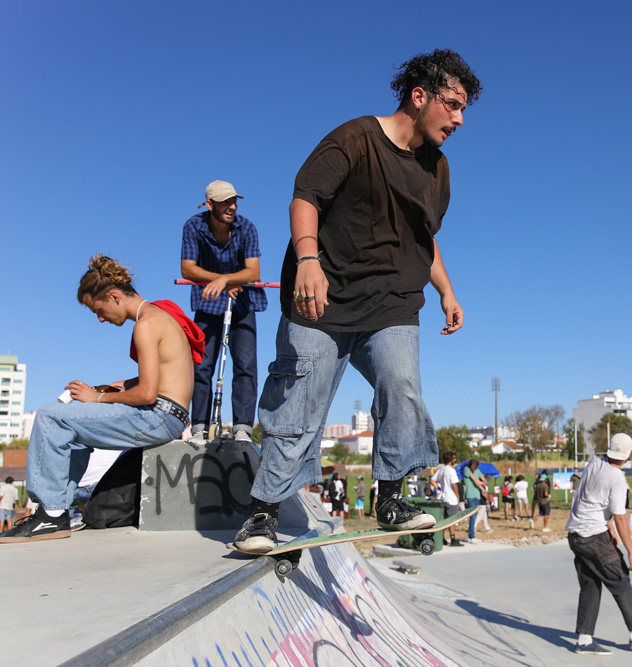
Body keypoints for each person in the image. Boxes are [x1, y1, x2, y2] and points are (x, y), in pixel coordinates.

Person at [233, 50, 482, 554]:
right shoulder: (355, 138)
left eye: (463, 110)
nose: (458, 119)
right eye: (452, 105)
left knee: (403, 388)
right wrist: (308, 259)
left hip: (392, 304)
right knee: (299, 404)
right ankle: (263, 513)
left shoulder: (439, 169)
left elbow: (424, 236)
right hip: (321, 302)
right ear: (420, 97)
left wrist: (446, 290)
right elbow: (305, 197)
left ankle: (390, 496)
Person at [0, 255, 202, 543]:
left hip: (159, 416)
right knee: (76, 432)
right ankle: (63, 510)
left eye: (99, 309)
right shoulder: (162, 316)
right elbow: (163, 378)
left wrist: (97, 397)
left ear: (114, 296)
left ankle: (50, 515)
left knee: (50, 417)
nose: (100, 318)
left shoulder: (145, 324)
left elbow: (147, 393)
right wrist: (119, 387)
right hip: (173, 413)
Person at [181, 180, 266, 444]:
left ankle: (242, 427)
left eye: (234, 201)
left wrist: (225, 281)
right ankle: (199, 427)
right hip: (208, 303)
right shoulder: (193, 226)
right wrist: (221, 280)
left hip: (243, 303)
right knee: (202, 366)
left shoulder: (247, 227)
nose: (232, 206)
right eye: (225, 202)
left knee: (246, 365)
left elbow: (253, 272)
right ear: (209, 205)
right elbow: (187, 268)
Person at [566, 433, 632, 655]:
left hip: (576, 535)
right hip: (594, 537)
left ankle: (584, 640)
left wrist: (607, 526)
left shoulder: (594, 463)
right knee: (620, 581)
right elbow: (620, 517)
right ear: (629, 454)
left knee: (590, 585)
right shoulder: (617, 479)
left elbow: (591, 499)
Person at [432, 451, 462, 547]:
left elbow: (432, 480)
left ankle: (442, 538)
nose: (455, 460)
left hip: (443, 498)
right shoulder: (451, 470)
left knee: (444, 520)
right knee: (452, 520)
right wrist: (458, 496)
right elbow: (454, 485)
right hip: (451, 498)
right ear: (450, 459)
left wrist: (439, 488)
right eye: (454, 458)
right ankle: (453, 539)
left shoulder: (441, 469)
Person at [463, 459, 489, 542]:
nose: (473, 469)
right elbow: (476, 482)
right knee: (473, 516)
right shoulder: (466, 469)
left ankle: (471, 534)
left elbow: (484, 482)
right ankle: (471, 535)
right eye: (472, 468)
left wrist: (482, 489)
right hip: (470, 495)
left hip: (477, 495)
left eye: (475, 468)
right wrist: (481, 483)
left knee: (475, 515)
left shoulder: (477, 471)